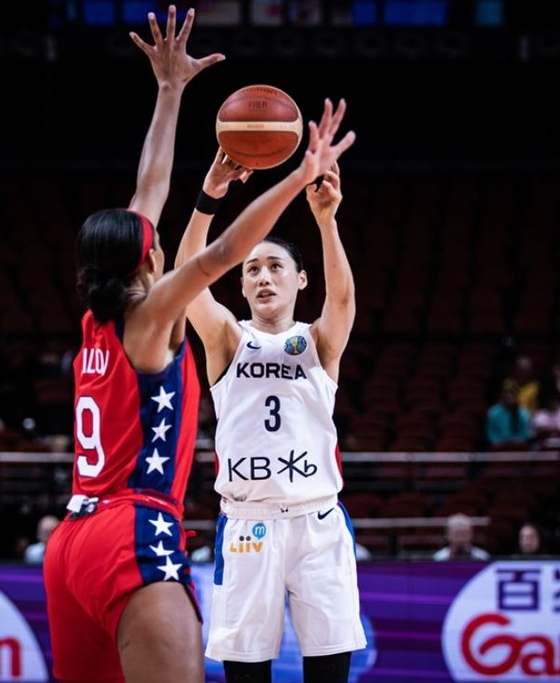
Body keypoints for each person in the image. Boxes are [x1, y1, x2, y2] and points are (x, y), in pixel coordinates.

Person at [40, 7, 356, 683]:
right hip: (131, 524)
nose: (151, 228)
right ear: (144, 261)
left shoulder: (100, 313)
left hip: (69, 534)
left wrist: (170, 90)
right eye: (149, 237)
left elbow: (149, 186)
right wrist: (299, 177)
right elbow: (221, 253)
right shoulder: (151, 311)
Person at [175, 152, 366, 681]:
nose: (263, 277)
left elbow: (345, 300)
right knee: (246, 676)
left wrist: (326, 221)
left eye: (275, 266)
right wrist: (208, 199)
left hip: (318, 521)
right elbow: (187, 279)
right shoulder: (228, 337)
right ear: (240, 286)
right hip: (247, 526)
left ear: (302, 280)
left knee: (328, 673)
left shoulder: (319, 342)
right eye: (252, 269)